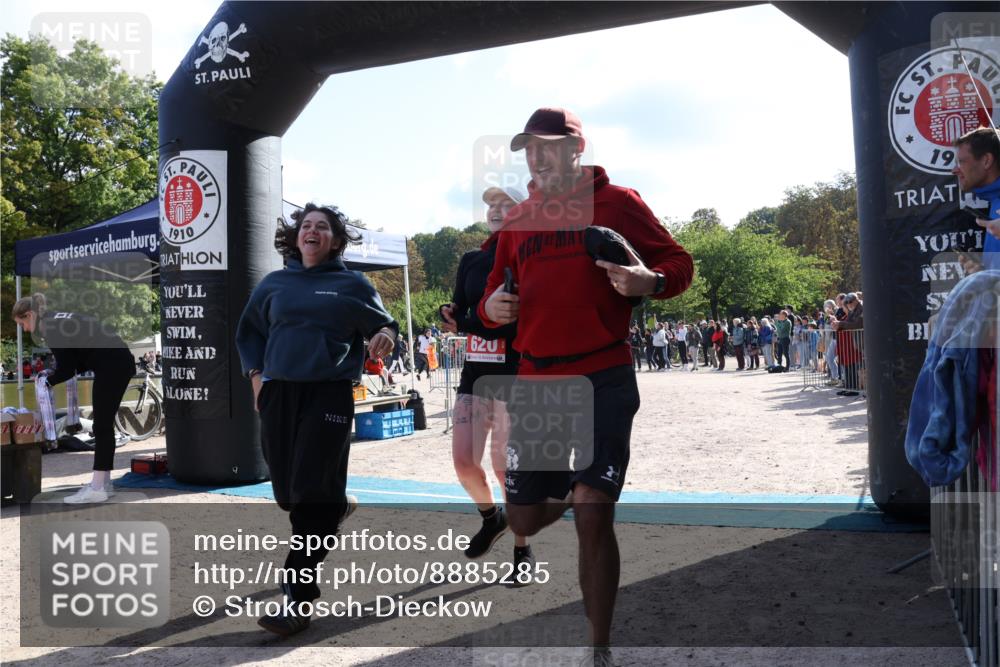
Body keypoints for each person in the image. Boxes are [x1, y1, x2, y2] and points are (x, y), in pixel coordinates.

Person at [479, 107, 693, 666]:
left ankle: (599, 648)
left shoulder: (620, 202)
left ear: (577, 148)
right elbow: (492, 294)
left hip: (603, 371)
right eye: (528, 148)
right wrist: (491, 307)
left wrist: (652, 280)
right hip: (539, 381)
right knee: (525, 519)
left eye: (548, 146)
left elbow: (678, 261)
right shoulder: (519, 219)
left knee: (594, 510)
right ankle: (558, 495)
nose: (536, 156)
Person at [236, 203, 397, 636]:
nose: (312, 231)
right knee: (290, 495)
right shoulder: (274, 284)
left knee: (309, 494)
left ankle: (297, 596)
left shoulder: (352, 284)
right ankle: (338, 507)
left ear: (336, 240)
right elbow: (248, 332)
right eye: (305, 225)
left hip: (328, 392)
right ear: (296, 237)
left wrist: (384, 334)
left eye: (322, 227)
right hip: (277, 394)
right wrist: (256, 380)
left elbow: (386, 326)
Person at [439, 185, 534, 577]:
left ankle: (523, 551)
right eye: (490, 204)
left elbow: (505, 321)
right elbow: (461, 310)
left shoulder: (529, 253)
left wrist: (467, 321)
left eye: (504, 204)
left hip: (514, 374)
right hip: (475, 372)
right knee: (463, 463)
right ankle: (492, 517)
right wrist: (452, 312)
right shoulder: (471, 258)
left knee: (504, 467)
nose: (495, 209)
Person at [12, 293, 134, 503]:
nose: (24, 329)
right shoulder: (58, 319)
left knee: (102, 427)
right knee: (103, 426)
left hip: (112, 365)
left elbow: (67, 369)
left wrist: (46, 381)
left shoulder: (50, 328)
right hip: (117, 361)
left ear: (30, 315)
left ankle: (97, 488)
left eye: (22, 323)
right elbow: (81, 358)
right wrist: (53, 374)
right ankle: (103, 483)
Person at [953, 127, 1000, 270]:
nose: (954, 170)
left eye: (961, 162)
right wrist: (982, 274)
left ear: (986, 160)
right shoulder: (995, 201)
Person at [832, 293, 864, 397]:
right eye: (846, 303)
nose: (848, 304)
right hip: (856, 342)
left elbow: (857, 324)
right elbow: (848, 323)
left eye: (850, 302)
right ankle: (849, 387)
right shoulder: (852, 311)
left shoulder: (862, 308)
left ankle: (854, 389)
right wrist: (837, 325)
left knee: (854, 366)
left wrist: (840, 324)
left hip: (863, 341)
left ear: (856, 300)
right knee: (848, 366)